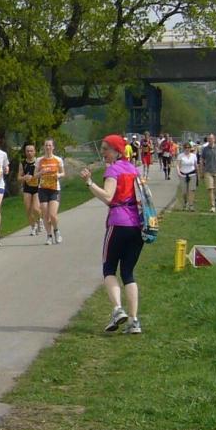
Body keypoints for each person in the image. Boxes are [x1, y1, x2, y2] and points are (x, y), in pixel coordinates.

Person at [79, 135, 143, 334]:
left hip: (118, 223)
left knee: (109, 269)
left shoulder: (113, 170)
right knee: (128, 273)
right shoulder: (133, 169)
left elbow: (108, 196)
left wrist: (89, 182)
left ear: (117, 151)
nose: (103, 152)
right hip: (136, 226)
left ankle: (117, 309)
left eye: (106, 149)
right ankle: (133, 321)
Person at [36, 138, 66, 245]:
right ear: (44, 147)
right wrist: (41, 172)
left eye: (49, 145)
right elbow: (35, 175)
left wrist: (58, 175)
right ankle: (49, 236)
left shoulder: (58, 160)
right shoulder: (39, 160)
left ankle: (56, 231)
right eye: (46, 145)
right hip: (43, 189)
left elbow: (63, 173)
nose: (48, 147)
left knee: (53, 215)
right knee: (45, 214)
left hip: (54, 189)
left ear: (53, 147)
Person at [17, 142, 42, 236]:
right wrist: (24, 178)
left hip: (37, 188)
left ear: (35, 152)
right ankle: (33, 227)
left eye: (31, 151)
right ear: (25, 152)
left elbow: (43, 174)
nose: (29, 153)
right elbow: (18, 178)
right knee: (28, 209)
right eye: (27, 151)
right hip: (27, 188)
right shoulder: (23, 163)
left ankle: (40, 219)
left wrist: (37, 176)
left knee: (36, 208)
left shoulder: (39, 162)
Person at [200, 133, 216, 213]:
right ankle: (212, 206)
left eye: (211, 138)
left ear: (214, 139)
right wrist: (201, 171)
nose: (210, 140)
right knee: (210, 189)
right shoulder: (205, 149)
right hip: (208, 171)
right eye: (209, 139)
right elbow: (202, 160)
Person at [176, 141, 199, 211]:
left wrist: (198, 174)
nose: (187, 149)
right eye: (186, 147)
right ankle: (185, 202)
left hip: (192, 174)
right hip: (183, 175)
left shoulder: (193, 156)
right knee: (184, 192)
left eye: (188, 147)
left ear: (190, 148)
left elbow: (196, 165)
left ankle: (191, 205)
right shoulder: (180, 156)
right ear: (184, 148)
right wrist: (178, 172)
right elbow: (178, 165)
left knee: (192, 190)